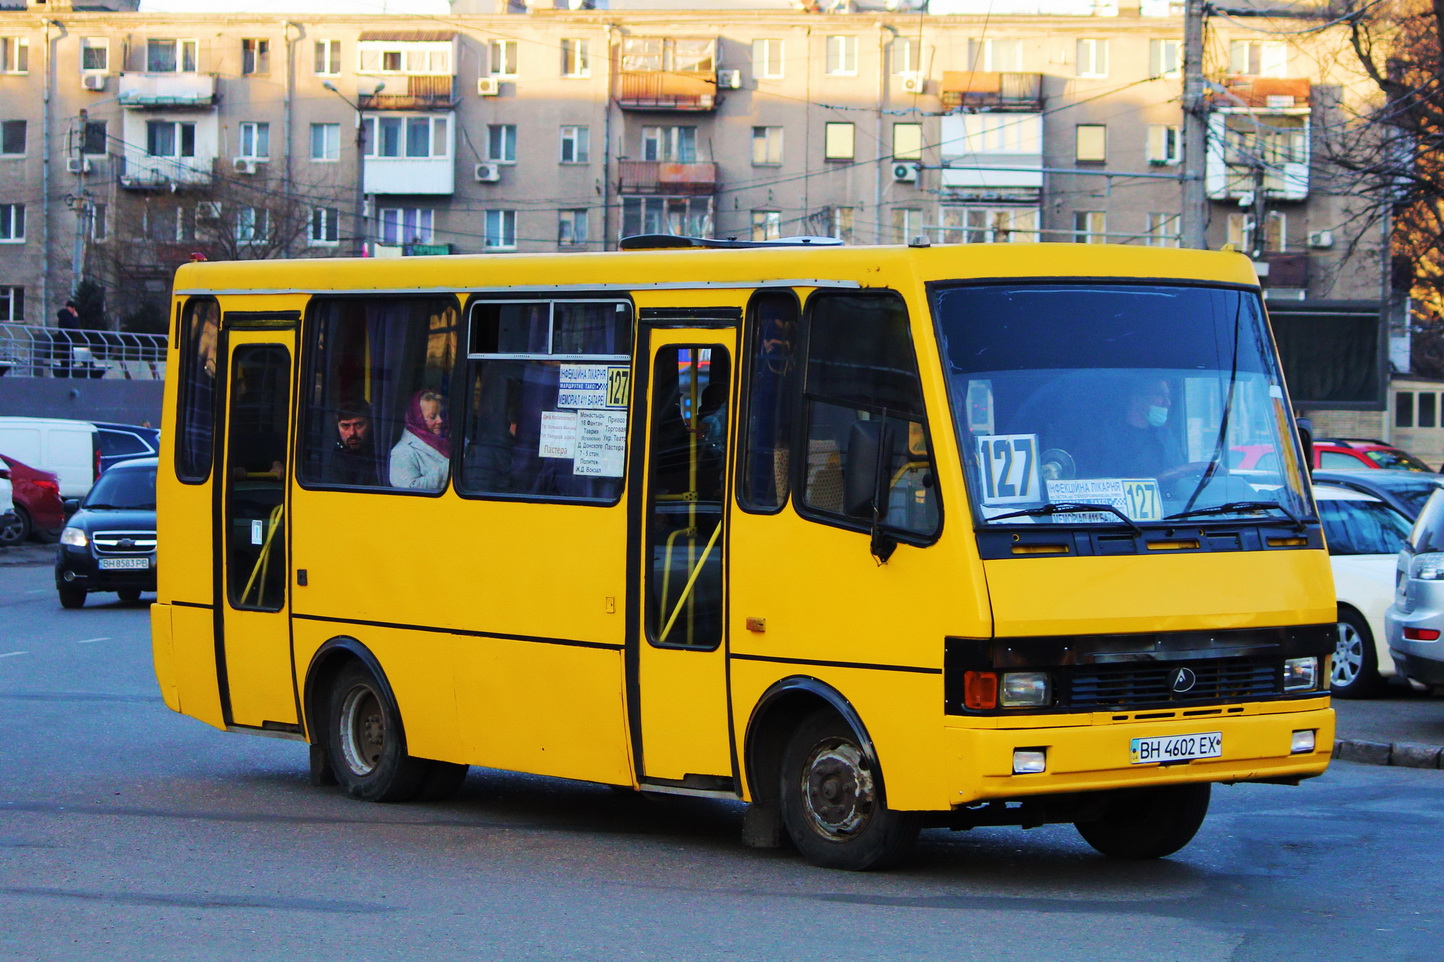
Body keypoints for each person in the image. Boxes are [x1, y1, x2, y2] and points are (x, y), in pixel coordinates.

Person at [1114, 377, 1182, 478]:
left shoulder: (1166, 437)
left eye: (1168, 396)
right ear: (1136, 400)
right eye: (1160, 395)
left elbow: (1179, 472)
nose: (1167, 403)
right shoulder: (1110, 437)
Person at [390, 389, 450, 490]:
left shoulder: (453, 439)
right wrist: (452, 465)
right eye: (433, 416)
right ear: (418, 419)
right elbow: (409, 490)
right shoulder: (402, 451)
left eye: (442, 415)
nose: (440, 420)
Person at [320, 400, 381, 486]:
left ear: (370, 424)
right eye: (345, 426)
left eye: (358, 425)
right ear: (337, 427)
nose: (352, 433)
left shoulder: (380, 453)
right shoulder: (334, 458)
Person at [54, 299, 81, 378]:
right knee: (67, 358)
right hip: (66, 339)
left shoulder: (63, 315)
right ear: (70, 308)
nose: (73, 310)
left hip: (66, 339)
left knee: (67, 357)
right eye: (73, 308)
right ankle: (65, 375)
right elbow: (74, 326)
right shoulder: (66, 315)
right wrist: (76, 318)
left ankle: (65, 374)